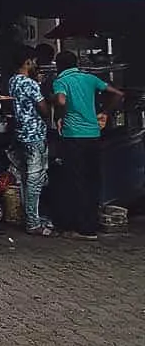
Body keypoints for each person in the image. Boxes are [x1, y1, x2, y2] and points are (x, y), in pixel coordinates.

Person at [52, 50, 124, 239]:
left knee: (76, 180)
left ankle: (78, 226)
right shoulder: (89, 78)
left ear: (59, 65)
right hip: (93, 135)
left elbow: (60, 100)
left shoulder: (61, 80)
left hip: (73, 136)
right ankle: (91, 224)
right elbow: (117, 94)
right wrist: (105, 113)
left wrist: (60, 115)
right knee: (93, 179)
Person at [7, 45, 54, 235]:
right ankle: (33, 222)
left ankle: (30, 216)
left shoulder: (13, 81)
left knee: (26, 178)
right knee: (35, 179)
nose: (36, 64)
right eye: (34, 61)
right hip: (34, 134)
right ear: (27, 61)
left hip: (20, 134)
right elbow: (42, 107)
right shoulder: (30, 83)